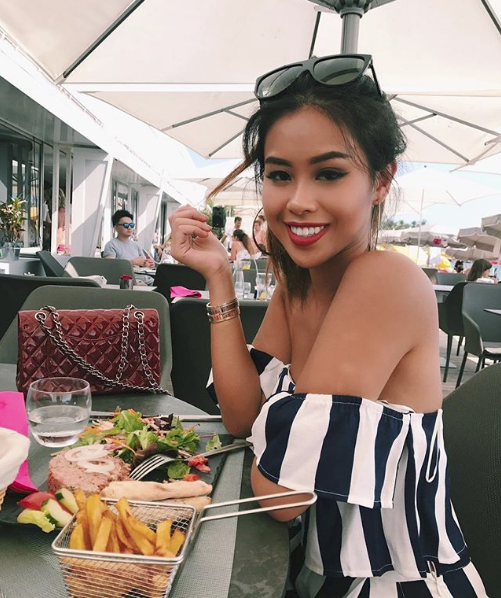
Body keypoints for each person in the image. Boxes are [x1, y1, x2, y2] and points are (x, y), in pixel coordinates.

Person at [169, 54, 486, 596]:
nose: (298, 201)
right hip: (314, 571)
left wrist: (280, 434)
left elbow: (281, 493)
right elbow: (241, 416)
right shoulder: (298, 284)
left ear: (381, 181)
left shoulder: (386, 281)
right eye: (279, 175)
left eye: (330, 173)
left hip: (389, 583)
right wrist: (218, 276)